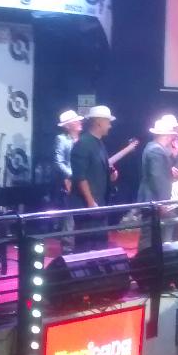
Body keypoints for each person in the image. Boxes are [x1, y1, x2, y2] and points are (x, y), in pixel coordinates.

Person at [70, 105, 117, 252]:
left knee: (99, 245)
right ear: (99, 122)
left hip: (99, 203)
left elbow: (99, 168)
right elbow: (80, 177)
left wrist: (111, 175)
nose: (110, 126)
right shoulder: (83, 144)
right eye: (108, 122)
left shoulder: (99, 143)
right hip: (87, 206)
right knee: (86, 247)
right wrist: (90, 202)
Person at [137, 117, 177, 250]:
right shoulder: (156, 151)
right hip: (153, 199)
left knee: (152, 232)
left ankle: (149, 257)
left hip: (153, 198)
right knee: (149, 234)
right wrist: (162, 202)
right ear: (166, 136)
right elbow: (157, 177)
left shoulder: (153, 148)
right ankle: (144, 259)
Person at [54, 109, 84, 253]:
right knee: (70, 214)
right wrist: (73, 175)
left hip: (83, 180)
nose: (79, 122)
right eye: (75, 120)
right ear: (68, 126)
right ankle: (68, 248)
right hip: (69, 181)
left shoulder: (83, 140)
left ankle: (80, 244)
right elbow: (59, 162)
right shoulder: (61, 139)